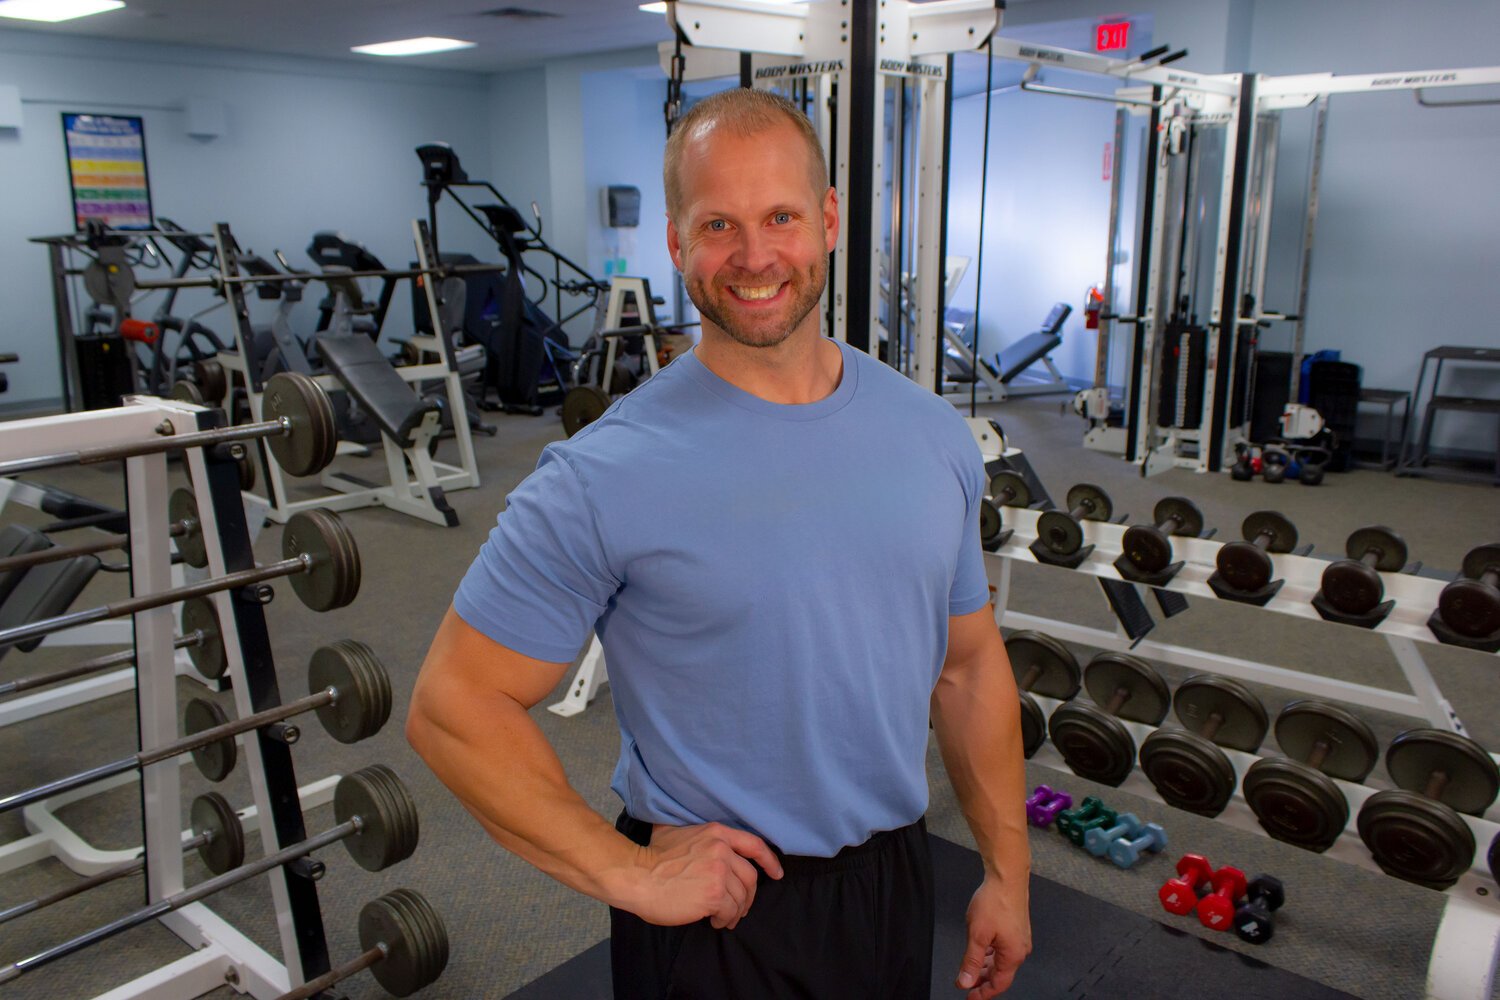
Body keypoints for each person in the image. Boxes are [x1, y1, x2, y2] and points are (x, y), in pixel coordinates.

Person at [407, 87, 1031, 999]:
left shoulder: (932, 435)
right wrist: (623, 871)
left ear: (826, 221)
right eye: (717, 226)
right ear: (675, 242)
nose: (753, 256)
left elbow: (968, 669)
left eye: (780, 215)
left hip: (893, 886)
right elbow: (453, 707)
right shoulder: (604, 472)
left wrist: (1008, 875)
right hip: (721, 914)